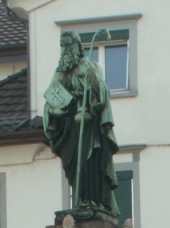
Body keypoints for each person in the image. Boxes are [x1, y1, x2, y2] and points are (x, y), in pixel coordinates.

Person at [43, 30, 119, 218]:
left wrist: (91, 78)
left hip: (89, 128)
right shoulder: (60, 72)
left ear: (77, 46)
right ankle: (79, 202)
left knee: (89, 164)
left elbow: (102, 96)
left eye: (69, 45)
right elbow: (51, 99)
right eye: (63, 46)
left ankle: (92, 201)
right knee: (73, 166)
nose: (66, 50)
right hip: (69, 129)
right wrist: (54, 111)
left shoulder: (91, 67)